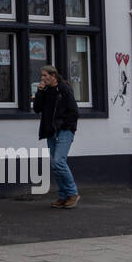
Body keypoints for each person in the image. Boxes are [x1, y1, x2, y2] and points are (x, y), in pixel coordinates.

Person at [33, 64, 79, 209]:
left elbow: (74, 111)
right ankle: (63, 196)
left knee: (59, 161)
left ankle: (73, 194)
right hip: (50, 132)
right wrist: (39, 92)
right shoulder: (45, 90)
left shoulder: (64, 89)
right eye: (42, 75)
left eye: (45, 75)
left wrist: (65, 127)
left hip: (64, 131)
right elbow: (37, 109)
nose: (42, 78)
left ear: (53, 76)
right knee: (55, 165)